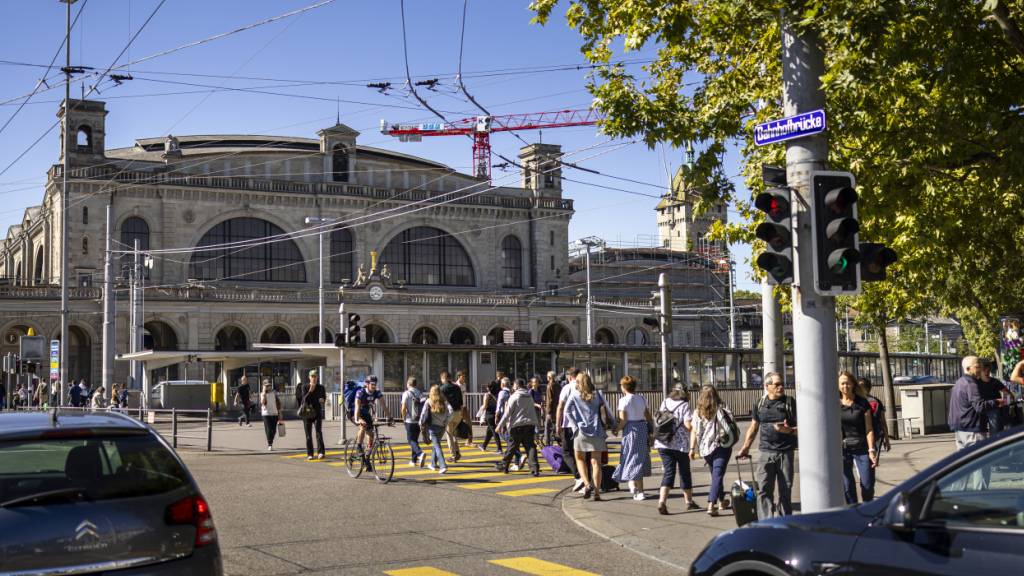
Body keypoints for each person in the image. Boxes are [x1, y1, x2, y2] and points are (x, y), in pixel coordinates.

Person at [737, 372, 798, 519]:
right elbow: (753, 427)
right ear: (767, 386)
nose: (781, 387)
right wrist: (745, 447)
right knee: (764, 489)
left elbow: (802, 429)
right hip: (765, 452)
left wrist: (788, 430)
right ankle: (766, 522)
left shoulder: (790, 402)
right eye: (777, 384)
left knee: (785, 490)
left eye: (782, 384)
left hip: (786, 453)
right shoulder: (760, 403)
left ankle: (784, 521)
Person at [564, 372, 613, 501]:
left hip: (581, 432)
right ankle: (597, 492)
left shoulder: (575, 394)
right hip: (597, 431)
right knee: (596, 463)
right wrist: (613, 425)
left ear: (579, 382)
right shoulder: (598, 394)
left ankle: (586, 484)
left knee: (580, 459)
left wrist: (575, 425)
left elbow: (566, 411)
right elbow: (607, 410)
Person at [654, 382, 698, 515]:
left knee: (668, 472)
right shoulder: (684, 405)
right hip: (680, 445)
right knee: (684, 472)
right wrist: (695, 424)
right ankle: (689, 502)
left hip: (663, 442)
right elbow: (688, 425)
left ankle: (662, 501)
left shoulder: (665, 402)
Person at [690, 384, 734, 516]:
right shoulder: (722, 407)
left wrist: (692, 449)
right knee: (717, 475)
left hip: (705, 449)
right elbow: (731, 422)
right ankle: (711, 504)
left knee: (716, 475)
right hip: (722, 446)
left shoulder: (697, 411)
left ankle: (721, 501)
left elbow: (695, 431)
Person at [949, 355, 1004, 450]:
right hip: (972, 430)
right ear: (968, 368)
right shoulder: (971, 384)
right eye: (977, 367)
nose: (980, 369)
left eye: (980, 366)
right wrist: (996, 402)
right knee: (980, 461)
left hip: (960, 428)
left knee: (965, 461)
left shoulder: (959, 382)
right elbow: (980, 406)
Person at [613, 375, 653, 500]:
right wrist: (651, 431)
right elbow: (648, 416)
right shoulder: (641, 398)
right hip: (642, 428)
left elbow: (623, 420)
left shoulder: (623, 400)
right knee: (639, 458)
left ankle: (635, 488)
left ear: (624, 387)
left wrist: (616, 430)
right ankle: (638, 488)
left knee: (630, 456)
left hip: (630, 430)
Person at [839, 370, 877, 504]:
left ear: (853, 384)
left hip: (862, 448)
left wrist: (872, 450)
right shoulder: (834, 404)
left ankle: (868, 507)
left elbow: (869, 429)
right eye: (842, 383)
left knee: (867, 484)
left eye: (848, 383)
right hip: (843, 450)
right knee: (847, 487)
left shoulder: (862, 403)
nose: (845, 386)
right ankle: (853, 512)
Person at [496, 378, 541, 476]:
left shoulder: (514, 397)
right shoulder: (529, 396)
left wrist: (500, 425)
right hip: (529, 425)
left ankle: (504, 465)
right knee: (530, 447)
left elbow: (507, 413)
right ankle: (535, 468)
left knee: (512, 447)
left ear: (516, 386)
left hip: (517, 426)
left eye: (513, 385)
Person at [555, 367, 588, 492]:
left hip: (568, 425)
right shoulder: (584, 387)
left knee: (567, 452)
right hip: (584, 424)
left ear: (569, 377)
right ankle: (586, 480)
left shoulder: (567, 388)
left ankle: (579, 476)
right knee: (583, 453)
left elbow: (561, 407)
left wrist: (558, 424)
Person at [354, 375, 390, 459]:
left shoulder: (377, 392)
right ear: (367, 384)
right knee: (363, 426)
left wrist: (390, 417)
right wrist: (357, 419)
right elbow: (357, 406)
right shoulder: (360, 392)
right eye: (372, 384)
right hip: (355, 412)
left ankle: (367, 457)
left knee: (371, 434)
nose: (374, 386)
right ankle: (359, 446)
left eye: (375, 384)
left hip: (366, 413)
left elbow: (384, 405)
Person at [419, 384, 451, 473]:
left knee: (437, 446)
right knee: (436, 445)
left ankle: (443, 466)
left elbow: (423, 414)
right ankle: (433, 464)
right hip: (442, 427)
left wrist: (420, 424)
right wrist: (446, 421)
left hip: (432, 427)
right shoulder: (444, 402)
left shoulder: (429, 401)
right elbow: (451, 411)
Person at [295, 369, 327, 460]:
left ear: (317, 378)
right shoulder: (305, 387)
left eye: (315, 376)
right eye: (312, 376)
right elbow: (303, 400)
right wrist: (310, 391)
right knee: (308, 435)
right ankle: (310, 454)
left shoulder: (321, 388)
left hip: (317, 412)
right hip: (307, 413)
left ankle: (321, 452)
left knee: (318, 432)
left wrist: (322, 400)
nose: (314, 378)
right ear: (309, 377)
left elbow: (323, 398)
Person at [858, 377, 891, 457]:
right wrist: (887, 440)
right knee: (871, 461)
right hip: (875, 436)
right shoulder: (876, 401)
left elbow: (883, 422)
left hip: (860, 437)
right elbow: (883, 422)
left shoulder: (855, 401)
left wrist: (886, 439)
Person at [979, 358, 1013, 433]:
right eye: (985, 371)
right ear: (981, 371)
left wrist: (1005, 402)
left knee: (995, 431)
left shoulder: (994, 381)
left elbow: (1007, 393)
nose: (987, 373)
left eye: (988, 371)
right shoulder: (977, 383)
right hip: (982, 407)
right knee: (982, 432)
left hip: (994, 407)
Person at [439, 370, 466, 463]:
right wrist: (462, 413)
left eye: (441, 379)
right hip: (459, 413)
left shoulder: (442, 388)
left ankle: (453, 455)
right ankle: (457, 452)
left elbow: (440, 402)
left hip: (450, 414)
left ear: (443, 378)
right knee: (453, 432)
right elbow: (461, 401)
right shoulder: (457, 387)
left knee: (449, 433)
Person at [400, 376, 425, 467]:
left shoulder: (406, 393)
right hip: (418, 420)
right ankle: (413, 461)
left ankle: (420, 454)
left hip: (409, 420)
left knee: (411, 441)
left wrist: (403, 418)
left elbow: (403, 408)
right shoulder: (420, 393)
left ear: (408, 384)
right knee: (415, 440)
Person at [479, 379, 503, 453]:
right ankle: (484, 445)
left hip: (489, 414)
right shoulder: (498, 394)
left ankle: (499, 448)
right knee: (489, 431)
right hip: (496, 414)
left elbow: (485, 406)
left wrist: (480, 409)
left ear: (488, 388)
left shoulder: (487, 395)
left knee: (494, 431)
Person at [454, 371, 474, 447]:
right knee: (456, 424)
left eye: (464, 376)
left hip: (464, 407)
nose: (464, 378)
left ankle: (469, 440)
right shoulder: (456, 385)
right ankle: (454, 441)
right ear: (459, 376)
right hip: (459, 408)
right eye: (463, 376)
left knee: (469, 423)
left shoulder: (464, 384)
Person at [260, 379, 280, 451]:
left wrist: (280, 412)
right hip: (266, 414)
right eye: (267, 386)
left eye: (269, 385)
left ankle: (270, 441)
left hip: (274, 413)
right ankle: (270, 444)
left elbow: (278, 402)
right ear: (263, 386)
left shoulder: (274, 392)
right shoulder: (262, 394)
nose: (268, 387)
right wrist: (264, 393)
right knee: (268, 429)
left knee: (274, 430)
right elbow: (263, 403)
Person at [543, 371, 561, 445]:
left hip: (551, 411)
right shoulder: (558, 385)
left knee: (547, 428)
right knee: (555, 427)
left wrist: (548, 411)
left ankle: (547, 444)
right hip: (557, 409)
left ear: (549, 377)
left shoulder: (549, 385)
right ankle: (560, 442)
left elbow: (550, 399)